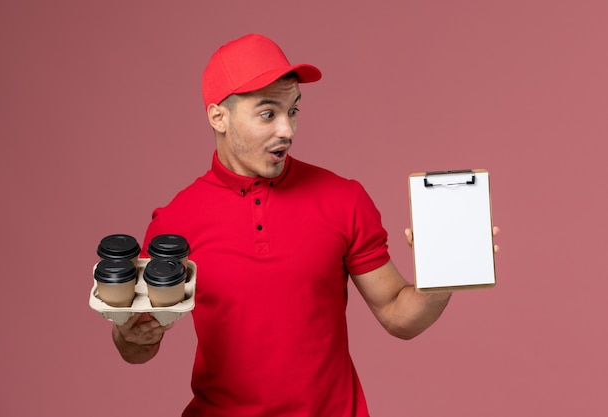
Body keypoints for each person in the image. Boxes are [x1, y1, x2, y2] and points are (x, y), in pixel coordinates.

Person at [111, 33, 498, 416]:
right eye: (268, 114)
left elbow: (398, 316)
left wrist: (444, 278)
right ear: (219, 117)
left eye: (293, 110)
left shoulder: (342, 198)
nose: (288, 130)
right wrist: (130, 335)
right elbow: (138, 344)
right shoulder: (175, 223)